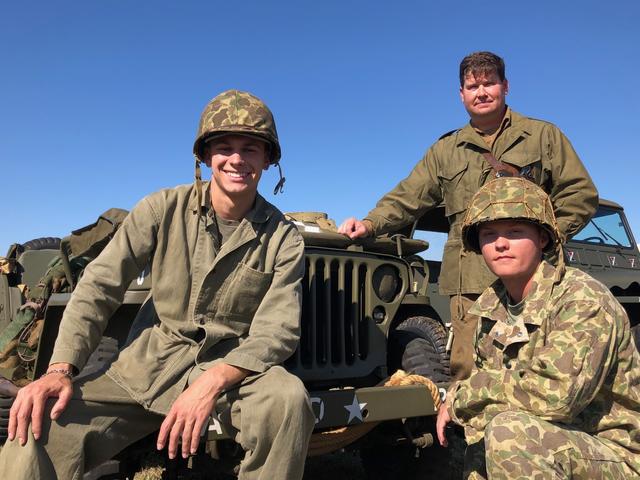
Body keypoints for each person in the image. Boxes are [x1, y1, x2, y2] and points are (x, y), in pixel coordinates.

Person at [0, 90, 315, 479]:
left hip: (231, 370)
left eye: (251, 149)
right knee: (34, 429)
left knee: (287, 400)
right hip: (148, 365)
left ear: (268, 160)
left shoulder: (284, 238)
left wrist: (213, 382)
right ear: (205, 157)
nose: (236, 159)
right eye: (224, 147)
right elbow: (99, 287)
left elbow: (277, 330)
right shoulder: (161, 209)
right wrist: (59, 370)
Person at [338, 51, 598, 380]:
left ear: (505, 86)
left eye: (489, 83)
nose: (482, 92)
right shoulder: (446, 150)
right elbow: (409, 195)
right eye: (473, 86)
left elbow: (581, 193)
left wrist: (548, 239)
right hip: (470, 286)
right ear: (461, 94)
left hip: (534, 279)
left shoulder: (543, 136)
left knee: (539, 368)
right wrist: (371, 223)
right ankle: (466, 432)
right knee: (468, 372)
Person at [435, 177, 640, 479]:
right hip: (551, 443)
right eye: (489, 234)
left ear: (543, 238)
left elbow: (556, 396)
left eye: (515, 231)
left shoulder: (581, 299)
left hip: (611, 453)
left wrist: (462, 397)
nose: (500, 243)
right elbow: (489, 399)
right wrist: (466, 403)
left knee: (511, 434)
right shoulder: (491, 307)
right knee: (482, 439)